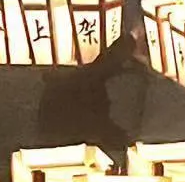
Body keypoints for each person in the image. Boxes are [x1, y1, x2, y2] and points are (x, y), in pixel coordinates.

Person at [36, 28, 142, 157]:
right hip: (66, 138)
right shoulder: (88, 82)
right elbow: (99, 125)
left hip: (62, 133)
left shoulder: (88, 77)